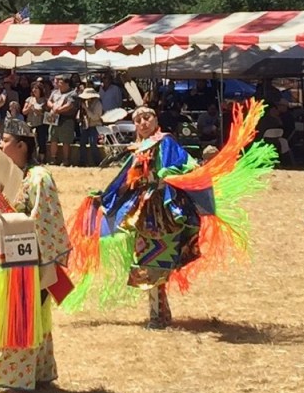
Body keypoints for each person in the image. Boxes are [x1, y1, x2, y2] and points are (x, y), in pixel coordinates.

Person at [63, 104, 277, 328]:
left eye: (147, 118)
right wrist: (105, 198)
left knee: (154, 261)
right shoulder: (139, 149)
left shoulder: (165, 142)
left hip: (163, 212)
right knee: (149, 261)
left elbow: (186, 165)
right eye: (138, 120)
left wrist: (169, 174)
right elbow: (124, 180)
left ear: (156, 121)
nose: (143, 122)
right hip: (143, 212)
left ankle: (158, 316)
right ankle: (160, 313)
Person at [0, 119, 71, 393]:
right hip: (10, 258)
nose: (0, 145)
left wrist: (6, 221)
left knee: (26, 315)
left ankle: (17, 378)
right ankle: (40, 373)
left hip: (32, 260)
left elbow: (44, 219)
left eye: (4, 140)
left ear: (21, 145)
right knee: (30, 315)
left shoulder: (39, 177)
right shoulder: (3, 176)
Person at [45, 75, 78, 166]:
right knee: (53, 138)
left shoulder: (72, 93)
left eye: (60, 82)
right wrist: (53, 107)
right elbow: (49, 101)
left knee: (66, 141)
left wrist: (58, 110)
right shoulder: (55, 92)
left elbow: (69, 105)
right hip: (54, 119)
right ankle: (53, 158)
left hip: (66, 119)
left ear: (66, 83)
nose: (58, 84)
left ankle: (66, 160)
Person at [78, 86, 103, 167]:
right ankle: (83, 162)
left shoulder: (98, 104)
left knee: (93, 143)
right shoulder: (86, 103)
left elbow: (95, 117)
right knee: (82, 142)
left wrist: (86, 108)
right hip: (86, 125)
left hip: (95, 126)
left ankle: (98, 162)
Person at [23, 83, 47, 162]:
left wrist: (36, 110)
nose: (34, 90)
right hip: (30, 123)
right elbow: (24, 112)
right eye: (33, 88)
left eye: (36, 88)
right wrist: (29, 108)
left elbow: (44, 113)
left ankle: (41, 159)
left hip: (40, 124)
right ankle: (30, 158)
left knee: (41, 141)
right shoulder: (29, 99)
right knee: (30, 142)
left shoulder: (44, 100)